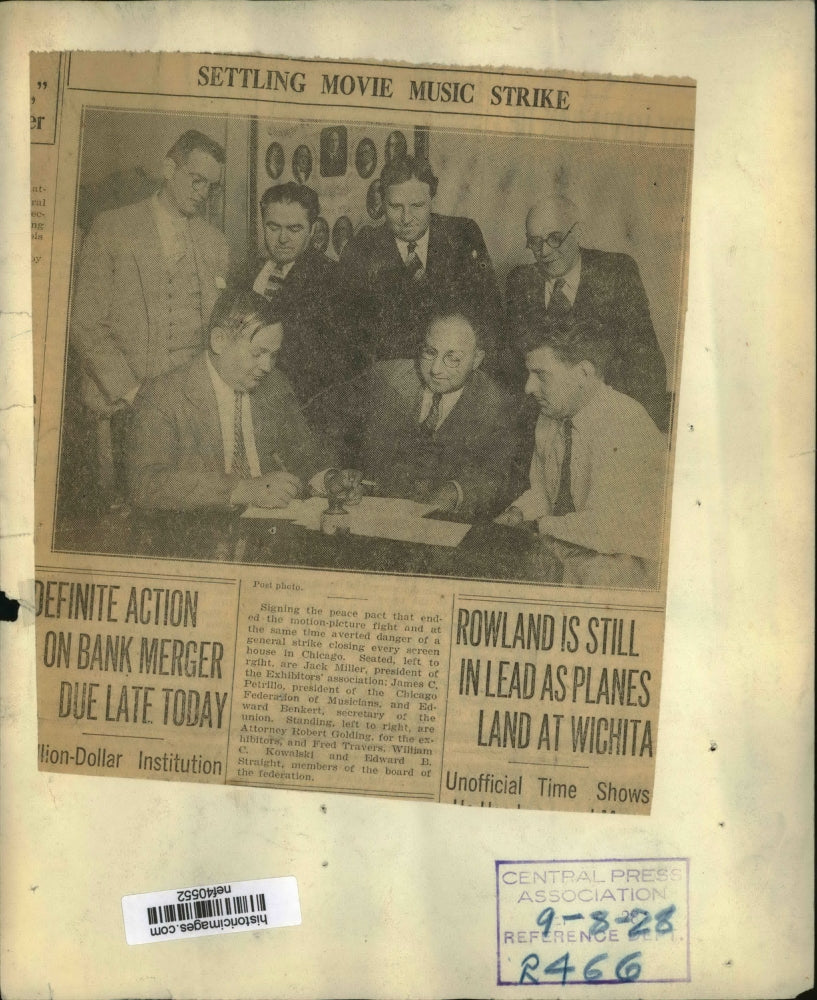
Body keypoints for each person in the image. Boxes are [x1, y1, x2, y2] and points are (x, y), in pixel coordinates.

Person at [70, 129, 230, 492]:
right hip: (125, 398)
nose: (202, 193)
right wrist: (130, 390)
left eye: (211, 186)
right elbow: (86, 322)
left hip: (192, 403)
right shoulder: (112, 227)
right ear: (168, 168)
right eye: (196, 180)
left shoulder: (214, 242)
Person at [496, 313, 668, 588]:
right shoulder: (551, 415)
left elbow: (604, 529)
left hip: (624, 569)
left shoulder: (626, 424)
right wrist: (517, 513)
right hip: (571, 551)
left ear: (583, 374)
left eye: (541, 375)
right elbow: (543, 492)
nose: (528, 388)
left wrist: (538, 525)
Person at [127, 290, 335, 512]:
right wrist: (241, 490)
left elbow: (304, 455)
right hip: (200, 529)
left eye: (273, 355)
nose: (267, 366)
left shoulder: (275, 385)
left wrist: (329, 481)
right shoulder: (163, 395)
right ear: (219, 341)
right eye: (257, 353)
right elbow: (145, 485)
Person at [505, 196, 669, 430]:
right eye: (534, 242)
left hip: (606, 422)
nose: (544, 251)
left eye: (555, 238)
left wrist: (638, 431)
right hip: (543, 419)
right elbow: (512, 368)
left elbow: (646, 362)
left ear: (578, 232)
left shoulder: (616, 272)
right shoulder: (520, 281)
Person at [337, 155, 503, 363]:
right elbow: (348, 337)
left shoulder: (464, 235)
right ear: (382, 201)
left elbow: (490, 317)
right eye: (395, 207)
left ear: (432, 198)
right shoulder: (361, 248)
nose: (406, 219)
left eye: (417, 205)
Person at [358, 309, 515, 520]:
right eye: (430, 352)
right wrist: (332, 476)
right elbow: (328, 433)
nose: (435, 369)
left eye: (453, 358)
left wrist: (456, 492)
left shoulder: (495, 403)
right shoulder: (385, 377)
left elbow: (495, 477)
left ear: (477, 359)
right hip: (376, 517)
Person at [249, 183, 341, 404]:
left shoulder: (333, 280)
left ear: (312, 229)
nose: (283, 239)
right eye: (273, 227)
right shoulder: (247, 272)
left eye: (294, 229)